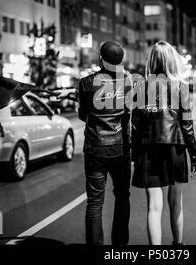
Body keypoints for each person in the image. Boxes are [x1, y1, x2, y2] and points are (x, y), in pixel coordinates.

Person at [131, 41, 196, 245]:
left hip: (148, 149)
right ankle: (178, 247)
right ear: (173, 61)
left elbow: (134, 126)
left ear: (152, 61)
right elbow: (187, 125)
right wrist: (194, 155)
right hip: (175, 148)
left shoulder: (140, 87)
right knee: (176, 201)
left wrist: (133, 156)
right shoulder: (181, 87)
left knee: (154, 206)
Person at [78, 41, 133, 245]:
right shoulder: (128, 82)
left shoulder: (86, 82)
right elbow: (129, 114)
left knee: (94, 202)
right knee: (122, 197)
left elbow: (83, 115)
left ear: (101, 58)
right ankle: (120, 246)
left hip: (95, 148)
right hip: (120, 148)